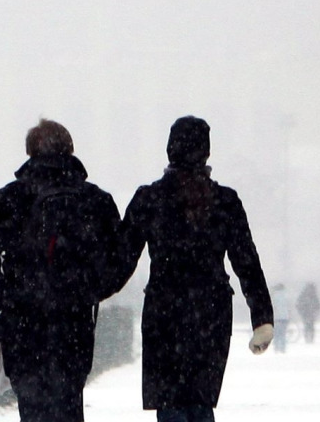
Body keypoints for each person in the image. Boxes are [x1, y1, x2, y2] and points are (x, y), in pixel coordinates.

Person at [116, 116, 276, 422]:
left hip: (164, 311)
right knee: (200, 402)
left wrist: (87, 291)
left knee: (170, 402)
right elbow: (247, 262)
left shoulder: (148, 199)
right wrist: (262, 317)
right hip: (211, 311)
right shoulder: (225, 201)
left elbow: (122, 260)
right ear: (207, 152)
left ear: (169, 151)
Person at [0, 119, 129, 422]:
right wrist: (90, 290)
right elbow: (119, 260)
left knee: (32, 408)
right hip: (74, 325)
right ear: (69, 149)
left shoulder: (8, 198)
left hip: (24, 325)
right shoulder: (95, 200)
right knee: (69, 403)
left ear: (30, 152)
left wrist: (7, 296)